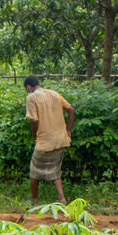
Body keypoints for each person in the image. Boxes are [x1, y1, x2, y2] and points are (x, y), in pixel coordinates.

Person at [24, 75, 74, 205]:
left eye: (26, 89)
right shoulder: (54, 94)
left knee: (35, 171)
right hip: (61, 140)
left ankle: (34, 200)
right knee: (55, 171)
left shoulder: (31, 97)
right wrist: (68, 130)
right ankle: (61, 198)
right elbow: (71, 110)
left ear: (28, 87)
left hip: (45, 141)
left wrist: (34, 134)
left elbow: (34, 120)